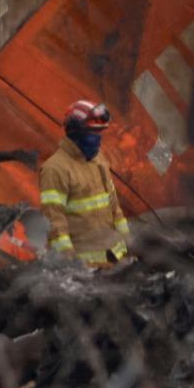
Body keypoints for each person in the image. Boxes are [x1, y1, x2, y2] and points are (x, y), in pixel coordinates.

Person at [35, 100, 129, 265]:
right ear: (76, 133)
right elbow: (54, 223)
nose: (98, 139)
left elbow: (114, 207)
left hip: (114, 263)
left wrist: (129, 244)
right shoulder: (55, 169)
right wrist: (69, 264)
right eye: (92, 133)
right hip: (84, 272)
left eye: (99, 133)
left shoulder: (98, 161)